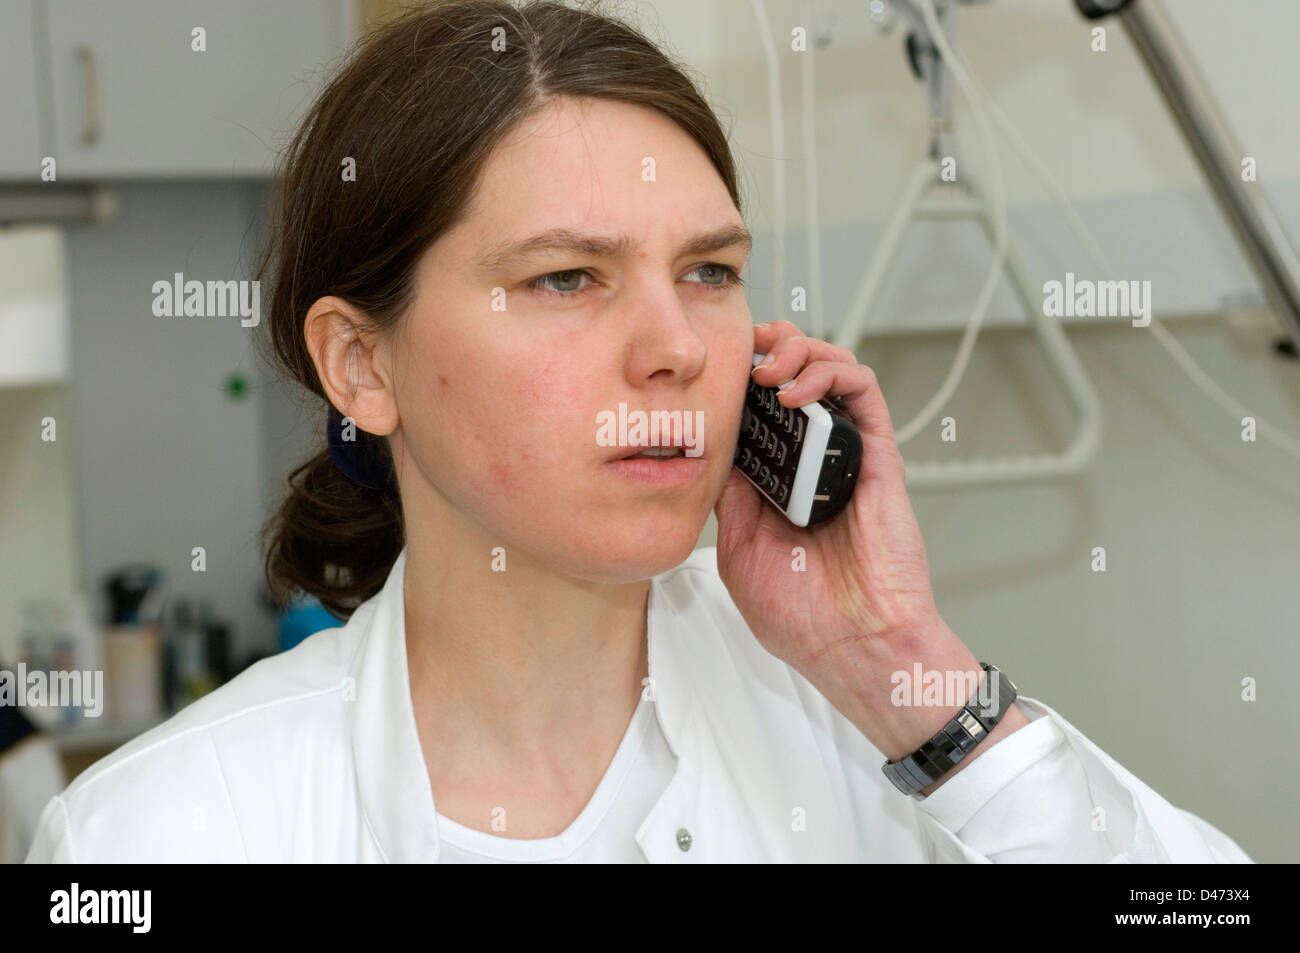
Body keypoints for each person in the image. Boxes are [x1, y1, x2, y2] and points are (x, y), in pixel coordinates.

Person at [26, 0, 1250, 863]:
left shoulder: (863, 728)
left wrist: (896, 666)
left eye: (710, 271)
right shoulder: (165, 832)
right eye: (566, 277)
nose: (675, 346)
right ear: (363, 363)